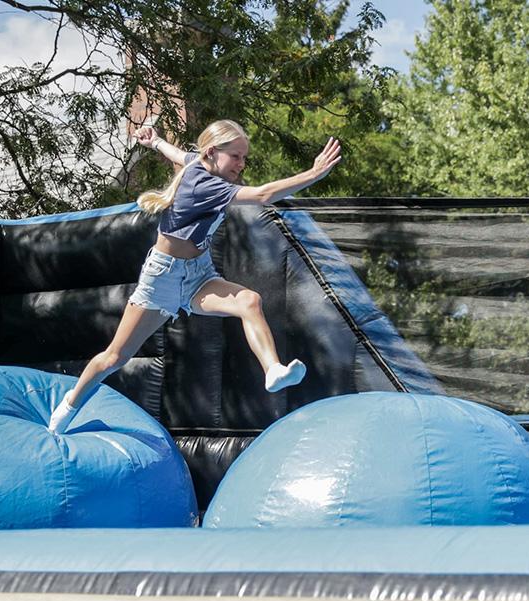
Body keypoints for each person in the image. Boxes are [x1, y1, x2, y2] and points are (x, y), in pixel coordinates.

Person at [47, 120, 342, 433]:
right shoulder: (204, 184)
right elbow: (262, 195)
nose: (241, 165)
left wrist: (155, 142)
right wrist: (313, 174)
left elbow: (180, 155)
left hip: (199, 275)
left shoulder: (200, 163)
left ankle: (273, 370)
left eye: (244, 158)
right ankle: (68, 406)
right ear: (213, 153)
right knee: (115, 357)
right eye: (236, 157)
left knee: (248, 301)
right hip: (162, 279)